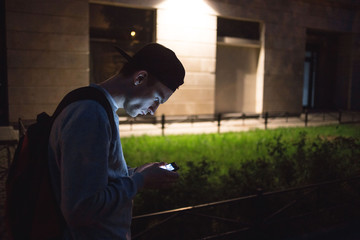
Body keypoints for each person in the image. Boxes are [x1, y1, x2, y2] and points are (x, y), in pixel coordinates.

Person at [48, 43, 185, 239]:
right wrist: (141, 181)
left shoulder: (100, 108)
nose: (153, 110)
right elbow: (81, 208)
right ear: (139, 78)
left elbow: (96, 180)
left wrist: (134, 172)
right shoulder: (90, 113)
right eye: (156, 99)